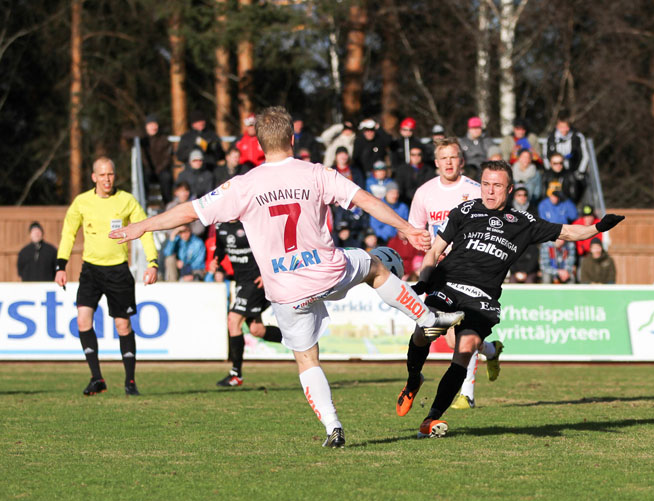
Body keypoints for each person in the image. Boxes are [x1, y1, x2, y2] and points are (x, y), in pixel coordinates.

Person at [110, 106, 464, 448]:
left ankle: (333, 425)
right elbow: (366, 200)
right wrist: (405, 228)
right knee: (374, 267)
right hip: (328, 269)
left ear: (260, 143)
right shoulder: (315, 173)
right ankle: (425, 317)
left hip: (285, 287)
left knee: (307, 359)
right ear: (293, 137)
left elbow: (190, 211)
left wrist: (140, 227)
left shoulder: (243, 185)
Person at [396, 160, 625, 438]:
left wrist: (599, 227)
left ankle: (431, 419)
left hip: (482, 298)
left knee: (466, 349)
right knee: (424, 332)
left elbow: (567, 232)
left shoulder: (524, 222)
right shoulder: (465, 210)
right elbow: (434, 252)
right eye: (485, 184)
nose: (490, 191)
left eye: (497, 186)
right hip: (448, 285)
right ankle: (412, 382)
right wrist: (425, 279)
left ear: (510, 189)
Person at [56, 157, 159, 396]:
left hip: (118, 271)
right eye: (102, 175)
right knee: (83, 320)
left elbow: (145, 230)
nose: (107, 179)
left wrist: (152, 262)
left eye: (110, 174)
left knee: (122, 325)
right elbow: (68, 233)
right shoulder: (82, 202)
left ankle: (130, 382)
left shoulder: (126, 201)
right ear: (93, 177)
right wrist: (60, 266)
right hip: (91, 270)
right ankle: (96, 378)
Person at [407, 137, 486, 411]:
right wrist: (424, 245)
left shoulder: (475, 191)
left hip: (469, 269)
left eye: (454, 157)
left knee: (460, 333)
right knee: (432, 330)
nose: (449, 162)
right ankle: (490, 350)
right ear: (436, 162)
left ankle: (467, 393)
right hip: (438, 270)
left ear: (461, 161)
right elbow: (415, 230)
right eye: (444, 158)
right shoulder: (424, 192)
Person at [208, 220, 283, 386]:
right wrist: (216, 260)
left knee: (233, 320)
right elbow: (220, 248)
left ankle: (236, 374)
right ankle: (299, 339)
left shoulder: (251, 222)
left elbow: (271, 248)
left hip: (256, 281)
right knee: (257, 330)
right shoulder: (221, 226)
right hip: (241, 282)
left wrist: (267, 272)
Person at [141, 114, 174, 203]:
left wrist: (159, 169)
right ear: (146, 127)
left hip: (161, 170)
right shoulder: (142, 140)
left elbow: (168, 158)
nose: (153, 127)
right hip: (148, 171)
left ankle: (167, 204)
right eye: (150, 125)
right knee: (143, 177)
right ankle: (144, 201)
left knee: (166, 177)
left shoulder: (164, 139)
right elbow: (126, 134)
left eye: (154, 124)